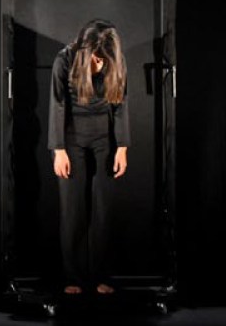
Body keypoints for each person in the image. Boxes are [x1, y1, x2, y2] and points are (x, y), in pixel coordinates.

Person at [48, 19, 130, 295]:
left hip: (104, 139)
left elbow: (121, 104)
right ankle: (73, 277)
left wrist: (122, 147)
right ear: (85, 51)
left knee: (103, 211)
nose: (99, 63)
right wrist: (58, 150)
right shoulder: (64, 59)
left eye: (103, 59)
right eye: (95, 58)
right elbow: (57, 104)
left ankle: (100, 275)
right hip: (72, 138)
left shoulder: (116, 60)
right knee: (73, 211)